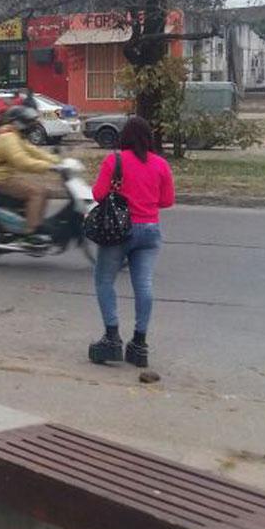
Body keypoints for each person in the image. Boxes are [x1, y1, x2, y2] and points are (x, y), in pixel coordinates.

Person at [89, 116, 175, 369]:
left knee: (104, 280)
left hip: (119, 231)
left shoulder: (114, 161)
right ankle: (139, 343)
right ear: (149, 138)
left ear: (123, 137)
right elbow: (167, 201)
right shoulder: (160, 164)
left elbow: (98, 194)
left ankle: (112, 337)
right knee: (144, 285)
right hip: (149, 231)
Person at [0, 105, 59, 247]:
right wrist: (49, 166)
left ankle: (35, 224)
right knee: (37, 192)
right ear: (19, 122)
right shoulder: (7, 138)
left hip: (6, 177)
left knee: (44, 191)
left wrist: (59, 162)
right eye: (28, 122)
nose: (30, 126)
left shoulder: (13, 135)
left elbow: (33, 151)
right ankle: (30, 234)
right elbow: (22, 162)